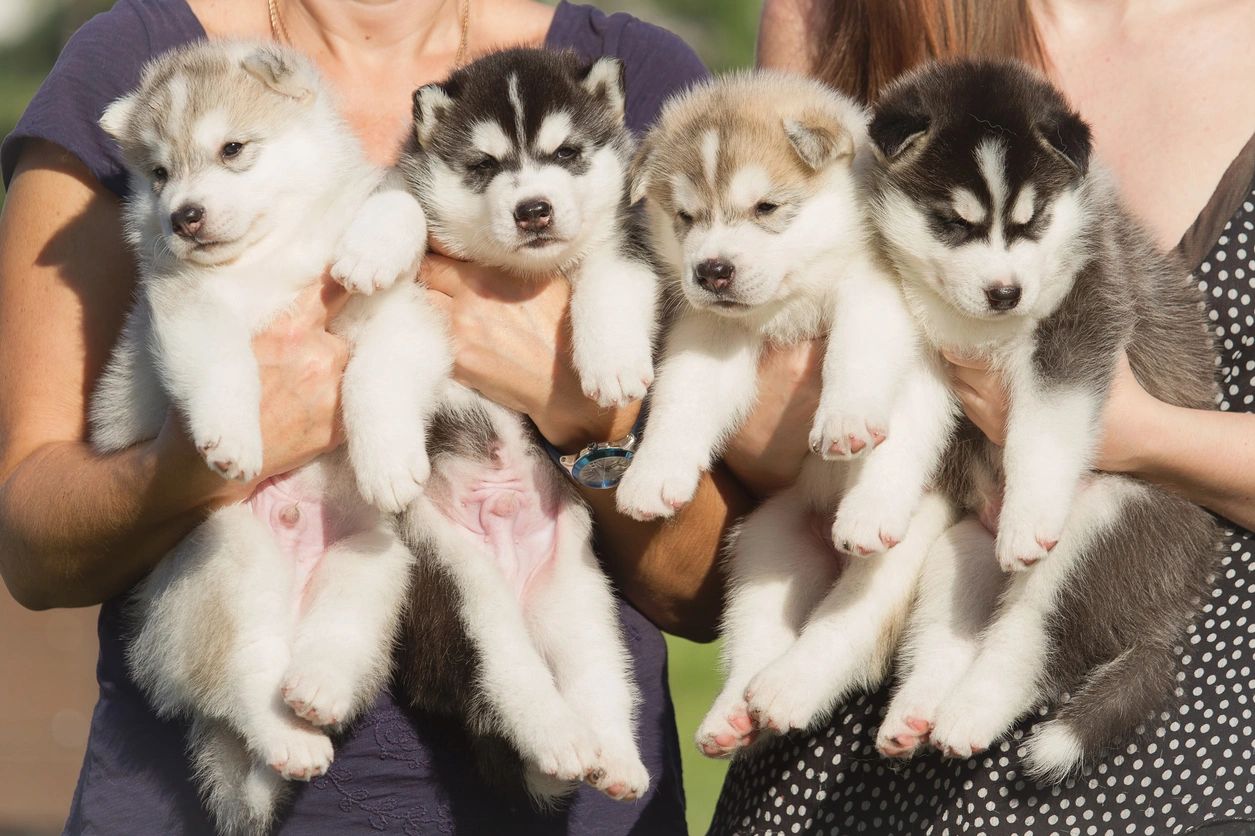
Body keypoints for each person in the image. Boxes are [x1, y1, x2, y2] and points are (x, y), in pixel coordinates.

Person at [0, 1, 736, 832]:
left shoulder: (631, 68)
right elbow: (33, 548)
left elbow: (709, 591)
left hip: (572, 799)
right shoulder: (137, 58)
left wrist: (582, 421)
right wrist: (195, 462)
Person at [706, 1, 1255, 833]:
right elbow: (767, 451)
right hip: (835, 791)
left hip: (1182, 777)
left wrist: (1139, 438)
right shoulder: (840, 16)